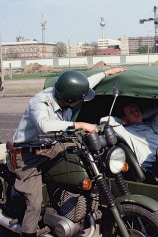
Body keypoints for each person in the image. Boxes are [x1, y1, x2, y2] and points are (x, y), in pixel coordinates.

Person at [12, 68, 126, 237]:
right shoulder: (40, 102)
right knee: (34, 204)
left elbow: (84, 85)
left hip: (54, 145)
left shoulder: (66, 95)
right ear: (70, 98)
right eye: (80, 98)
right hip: (29, 155)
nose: (82, 100)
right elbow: (44, 125)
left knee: (89, 158)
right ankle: (28, 233)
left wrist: (106, 73)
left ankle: (83, 203)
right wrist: (78, 125)